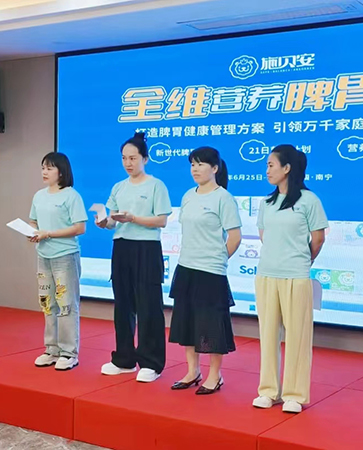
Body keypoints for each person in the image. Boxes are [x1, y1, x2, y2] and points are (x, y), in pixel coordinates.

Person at [252, 145, 328, 414]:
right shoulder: (267, 203)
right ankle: (268, 391)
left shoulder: (309, 200)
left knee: (297, 336)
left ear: (287, 168)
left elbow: (318, 239)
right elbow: (265, 236)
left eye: (271, 165)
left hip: (296, 276)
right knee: (268, 335)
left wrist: (302, 260)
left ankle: (294, 394)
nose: (267, 170)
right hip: (266, 275)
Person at [98, 132, 172, 383]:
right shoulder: (118, 187)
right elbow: (112, 220)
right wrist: (105, 222)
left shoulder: (156, 185)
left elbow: (161, 220)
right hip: (121, 247)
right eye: (124, 158)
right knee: (123, 305)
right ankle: (124, 359)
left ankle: (151, 362)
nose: (128, 163)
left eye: (133, 158)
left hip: (146, 249)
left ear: (145, 159)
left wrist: (134, 218)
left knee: (149, 306)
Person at [168, 147, 242, 395]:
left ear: (215, 168)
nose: (195, 169)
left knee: (211, 325)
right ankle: (193, 371)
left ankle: (214, 375)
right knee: (187, 321)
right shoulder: (188, 195)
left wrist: (219, 259)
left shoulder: (223, 198)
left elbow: (235, 237)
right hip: (186, 266)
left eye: (200, 164)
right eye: (192, 164)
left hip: (211, 271)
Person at [29, 152, 87, 371]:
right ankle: (51, 349)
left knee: (66, 304)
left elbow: (80, 228)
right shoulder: (39, 196)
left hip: (65, 256)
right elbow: (33, 220)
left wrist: (49, 234)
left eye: (49, 168)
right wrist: (33, 232)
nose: (44, 172)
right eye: (43, 167)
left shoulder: (71, 196)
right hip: (43, 255)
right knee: (47, 303)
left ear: (61, 172)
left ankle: (69, 352)